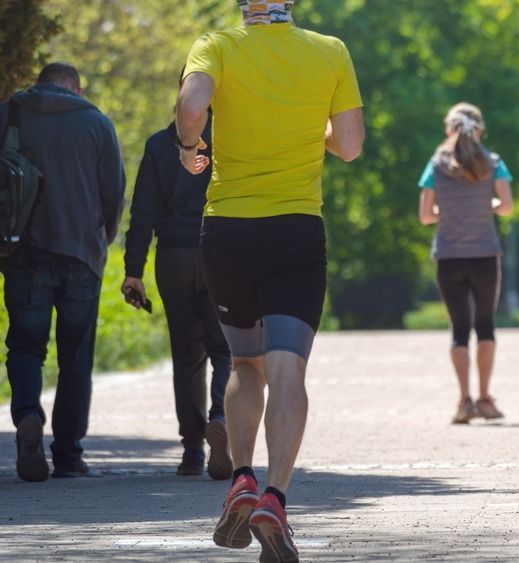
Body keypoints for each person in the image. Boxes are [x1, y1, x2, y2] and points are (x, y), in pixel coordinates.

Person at [176, 1, 364, 560]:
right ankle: (274, 497)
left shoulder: (217, 44)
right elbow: (350, 147)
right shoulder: (330, 51)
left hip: (228, 232)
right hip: (296, 232)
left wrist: (191, 148)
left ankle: (241, 478)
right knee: (288, 369)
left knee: (244, 366)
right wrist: (313, 128)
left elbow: (191, 107)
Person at [0, 63, 126, 481]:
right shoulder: (95, 122)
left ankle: (27, 416)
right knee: (75, 358)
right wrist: (102, 240)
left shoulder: (8, 114)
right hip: (80, 255)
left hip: (23, 252)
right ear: (77, 87)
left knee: (24, 345)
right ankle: (69, 455)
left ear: (38, 81)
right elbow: (114, 192)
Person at [121, 108, 233, 480]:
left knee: (187, 357)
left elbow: (142, 213)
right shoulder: (231, 141)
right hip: (218, 252)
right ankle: (221, 417)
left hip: (172, 257)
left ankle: (191, 452)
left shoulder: (158, 145)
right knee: (226, 350)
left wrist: (133, 271)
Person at [417, 102, 514, 424]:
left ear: (449, 129)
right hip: (485, 256)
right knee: (485, 325)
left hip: (448, 258)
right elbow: (507, 207)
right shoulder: (493, 162)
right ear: (480, 129)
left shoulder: (435, 165)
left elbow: (425, 215)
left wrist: (450, 212)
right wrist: (486, 204)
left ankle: (464, 401)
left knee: (459, 330)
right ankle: (486, 398)